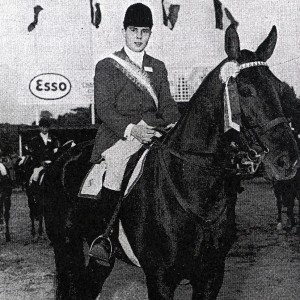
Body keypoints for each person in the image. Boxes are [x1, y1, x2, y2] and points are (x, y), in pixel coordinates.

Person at [89, 3, 180, 265]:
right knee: (117, 166)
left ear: (150, 33)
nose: (139, 36)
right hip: (120, 135)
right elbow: (104, 109)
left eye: (144, 31)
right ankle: (105, 238)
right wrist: (132, 130)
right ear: (124, 31)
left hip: (154, 133)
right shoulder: (107, 65)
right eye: (133, 30)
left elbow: (168, 105)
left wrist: (174, 125)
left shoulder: (158, 67)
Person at [27, 118, 60, 185]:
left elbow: (56, 152)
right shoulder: (35, 140)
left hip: (52, 164)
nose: (44, 129)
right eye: (42, 127)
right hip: (39, 164)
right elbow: (33, 154)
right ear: (40, 128)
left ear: (48, 128)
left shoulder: (53, 139)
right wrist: (41, 162)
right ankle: (35, 191)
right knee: (35, 177)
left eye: (46, 127)